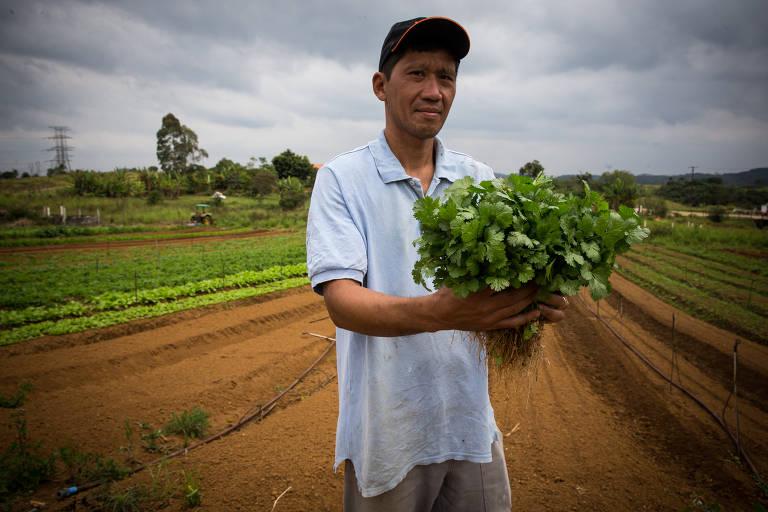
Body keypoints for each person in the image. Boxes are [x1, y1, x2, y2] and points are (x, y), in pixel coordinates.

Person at [306, 16, 568, 511]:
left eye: (446, 77)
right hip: (388, 434)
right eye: (417, 74)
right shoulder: (343, 179)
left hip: (471, 427)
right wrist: (442, 314)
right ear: (381, 86)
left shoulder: (477, 177)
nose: (434, 91)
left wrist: (535, 302)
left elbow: (501, 282)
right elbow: (342, 302)